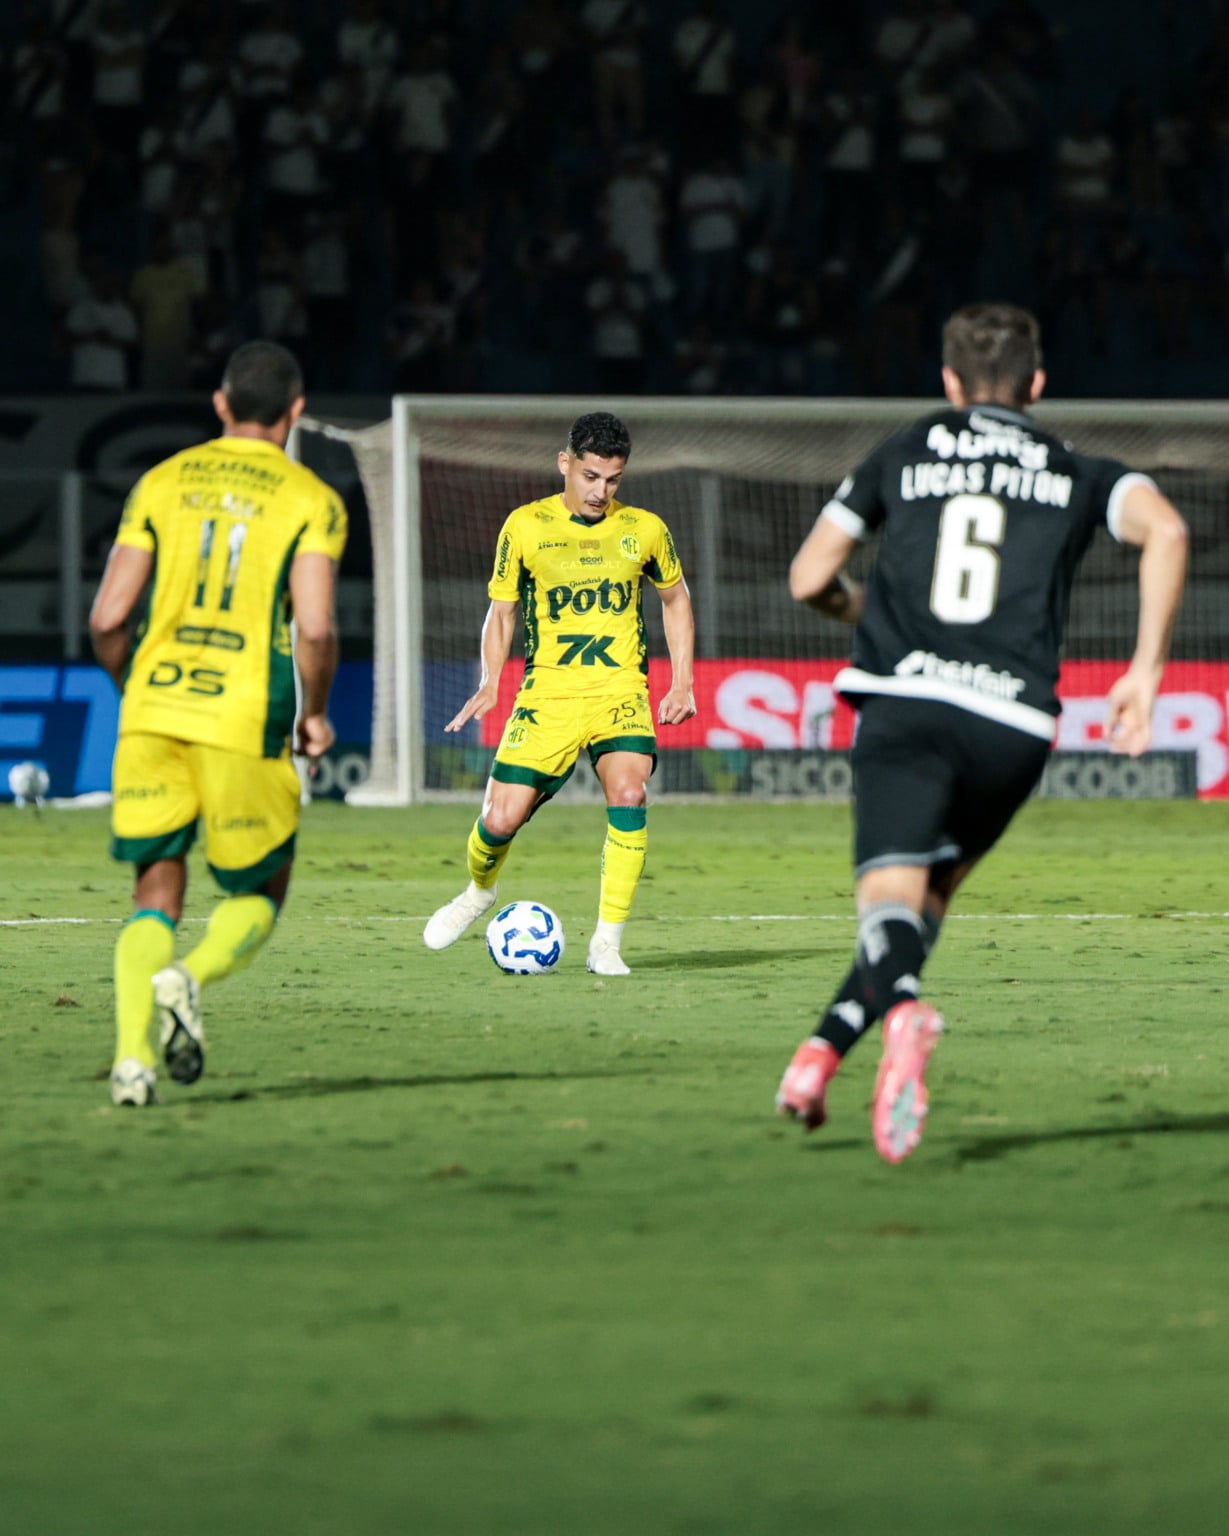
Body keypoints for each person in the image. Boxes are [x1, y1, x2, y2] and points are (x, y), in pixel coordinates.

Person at [775, 302, 1188, 1162]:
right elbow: (1168, 531)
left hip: (911, 707)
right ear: (1036, 384)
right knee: (924, 905)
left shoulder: (908, 449)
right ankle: (818, 1055)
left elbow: (809, 575)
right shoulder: (1077, 470)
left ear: (949, 383)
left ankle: (902, 1018)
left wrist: (861, 609)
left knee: (884, 904)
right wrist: (1143, 671)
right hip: (1014, 727)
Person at [89, 341, 347, 1107]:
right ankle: (189, 979)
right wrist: (316, 712)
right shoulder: (311, 500)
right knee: (261, 888)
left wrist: (135, 688)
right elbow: (316, 627)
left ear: (221, 404)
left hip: (153, 708)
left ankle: (132, 1062)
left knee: (153, 892)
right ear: (295, 410)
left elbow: (108, 617)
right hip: (243, 713)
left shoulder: (159, 481)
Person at [424, 411, 696, 976]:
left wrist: (683, 681)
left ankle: (606, 945)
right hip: (547, 693)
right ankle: (478, 892)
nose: (602, 490)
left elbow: (676, 600)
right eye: (592, 476)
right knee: (500, 820)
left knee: (629, 793)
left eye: (613, 479)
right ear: (565, 464)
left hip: (619, 689)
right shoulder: (525, 526)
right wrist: (489, 682)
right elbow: (501, 613)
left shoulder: (645, 529)